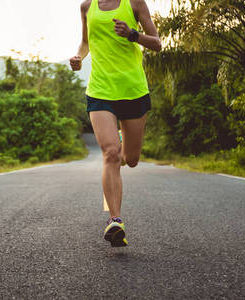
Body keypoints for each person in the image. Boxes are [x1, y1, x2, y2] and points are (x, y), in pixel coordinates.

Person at [70, 0, 161, 247]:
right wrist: (78, 56)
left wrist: (133, 34)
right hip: (100, 91)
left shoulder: (134, 3)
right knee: (110, 153)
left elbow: (157, 43)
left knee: (130, 159)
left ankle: (118, 155)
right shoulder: (87, 6)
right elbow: (86, 42)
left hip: (133, 90)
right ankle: (115, 220)